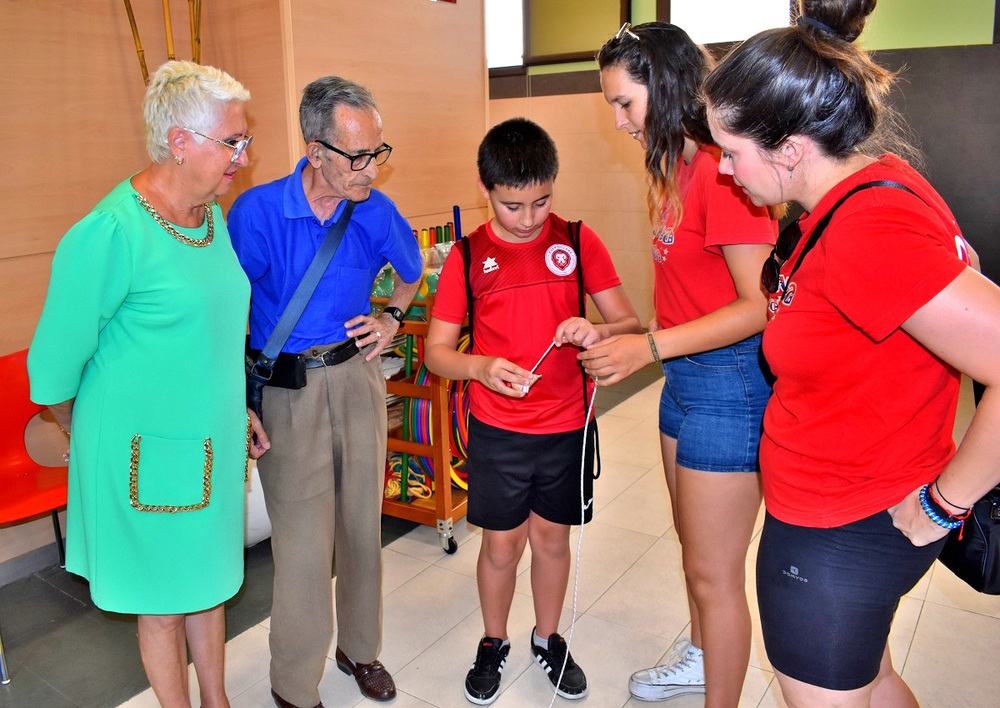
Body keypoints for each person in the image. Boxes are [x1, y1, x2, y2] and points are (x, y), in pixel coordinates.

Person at [701, 1, 1000, 706]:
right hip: (856, 507)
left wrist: (946, 504)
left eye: (732, 151)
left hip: (842, 528)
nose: (722, 171)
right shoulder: (870, 186)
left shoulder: (870, 227)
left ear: (791, 148)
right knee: (874, 680)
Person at [27, 60, 268, 708]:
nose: (242, 158)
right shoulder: (111, 232)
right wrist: (81, 430)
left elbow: (210, 331)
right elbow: (50, 366)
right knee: (162, 602)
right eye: (232, 141)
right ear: (180, 140)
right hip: (140, 457)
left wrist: (234, 406)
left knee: (209, 585)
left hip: (211, 445)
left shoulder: (209, 218)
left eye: (243, 140)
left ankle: (216, 701)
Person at [583, 22, 778, 706]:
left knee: (715, 572)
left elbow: (762, 303)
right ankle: (702, 657)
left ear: (663, 90)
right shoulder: (669, 162)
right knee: (696, 553)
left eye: (624, 103)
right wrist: (629, 335)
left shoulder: (725, 175)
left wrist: (649, 347)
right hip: (687, 379)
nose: (617, 121)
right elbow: (689, 289)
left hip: (731, 383)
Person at [425, 117, 642, 705]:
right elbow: (437, 353)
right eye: (512, 206)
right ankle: (493, 641)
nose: (527, 219)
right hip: (499, 430)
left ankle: (548, 639)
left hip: (568, 427)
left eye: (541, 202)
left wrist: (591, 330)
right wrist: (479, 367)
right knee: (501, 545)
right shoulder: (468, 256)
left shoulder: (575, 240)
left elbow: (629, 323)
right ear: (485, 187)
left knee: (551, 540)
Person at [227, 76, 421, 708]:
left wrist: (390, 318)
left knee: (364, 526)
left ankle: (359, 651)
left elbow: (412, 272)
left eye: (377, 153)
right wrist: (238, 399)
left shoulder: (375, 212)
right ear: (316, 151)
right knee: (305, 546)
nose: (371, 169)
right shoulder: (257, 213)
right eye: (357, 156)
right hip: (287, 391)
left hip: (357, 380)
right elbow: (227, 311)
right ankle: (292, 684)